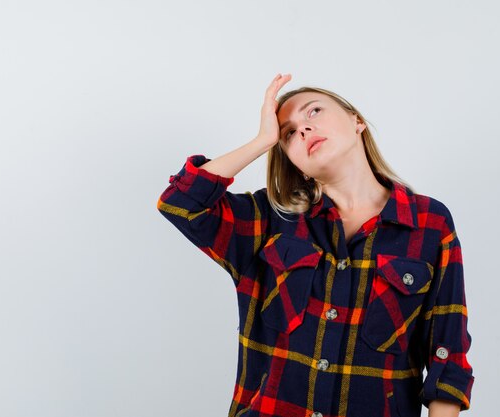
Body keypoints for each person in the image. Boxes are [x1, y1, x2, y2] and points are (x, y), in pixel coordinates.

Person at [157, 73, 474, 417]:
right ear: (295, 164)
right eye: (288, 133)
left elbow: (448, 359)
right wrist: (262, 141)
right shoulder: (269, 220)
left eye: (313, 112)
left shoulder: (429, 223)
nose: (303, 129)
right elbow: (181, 203)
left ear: (357, 122)